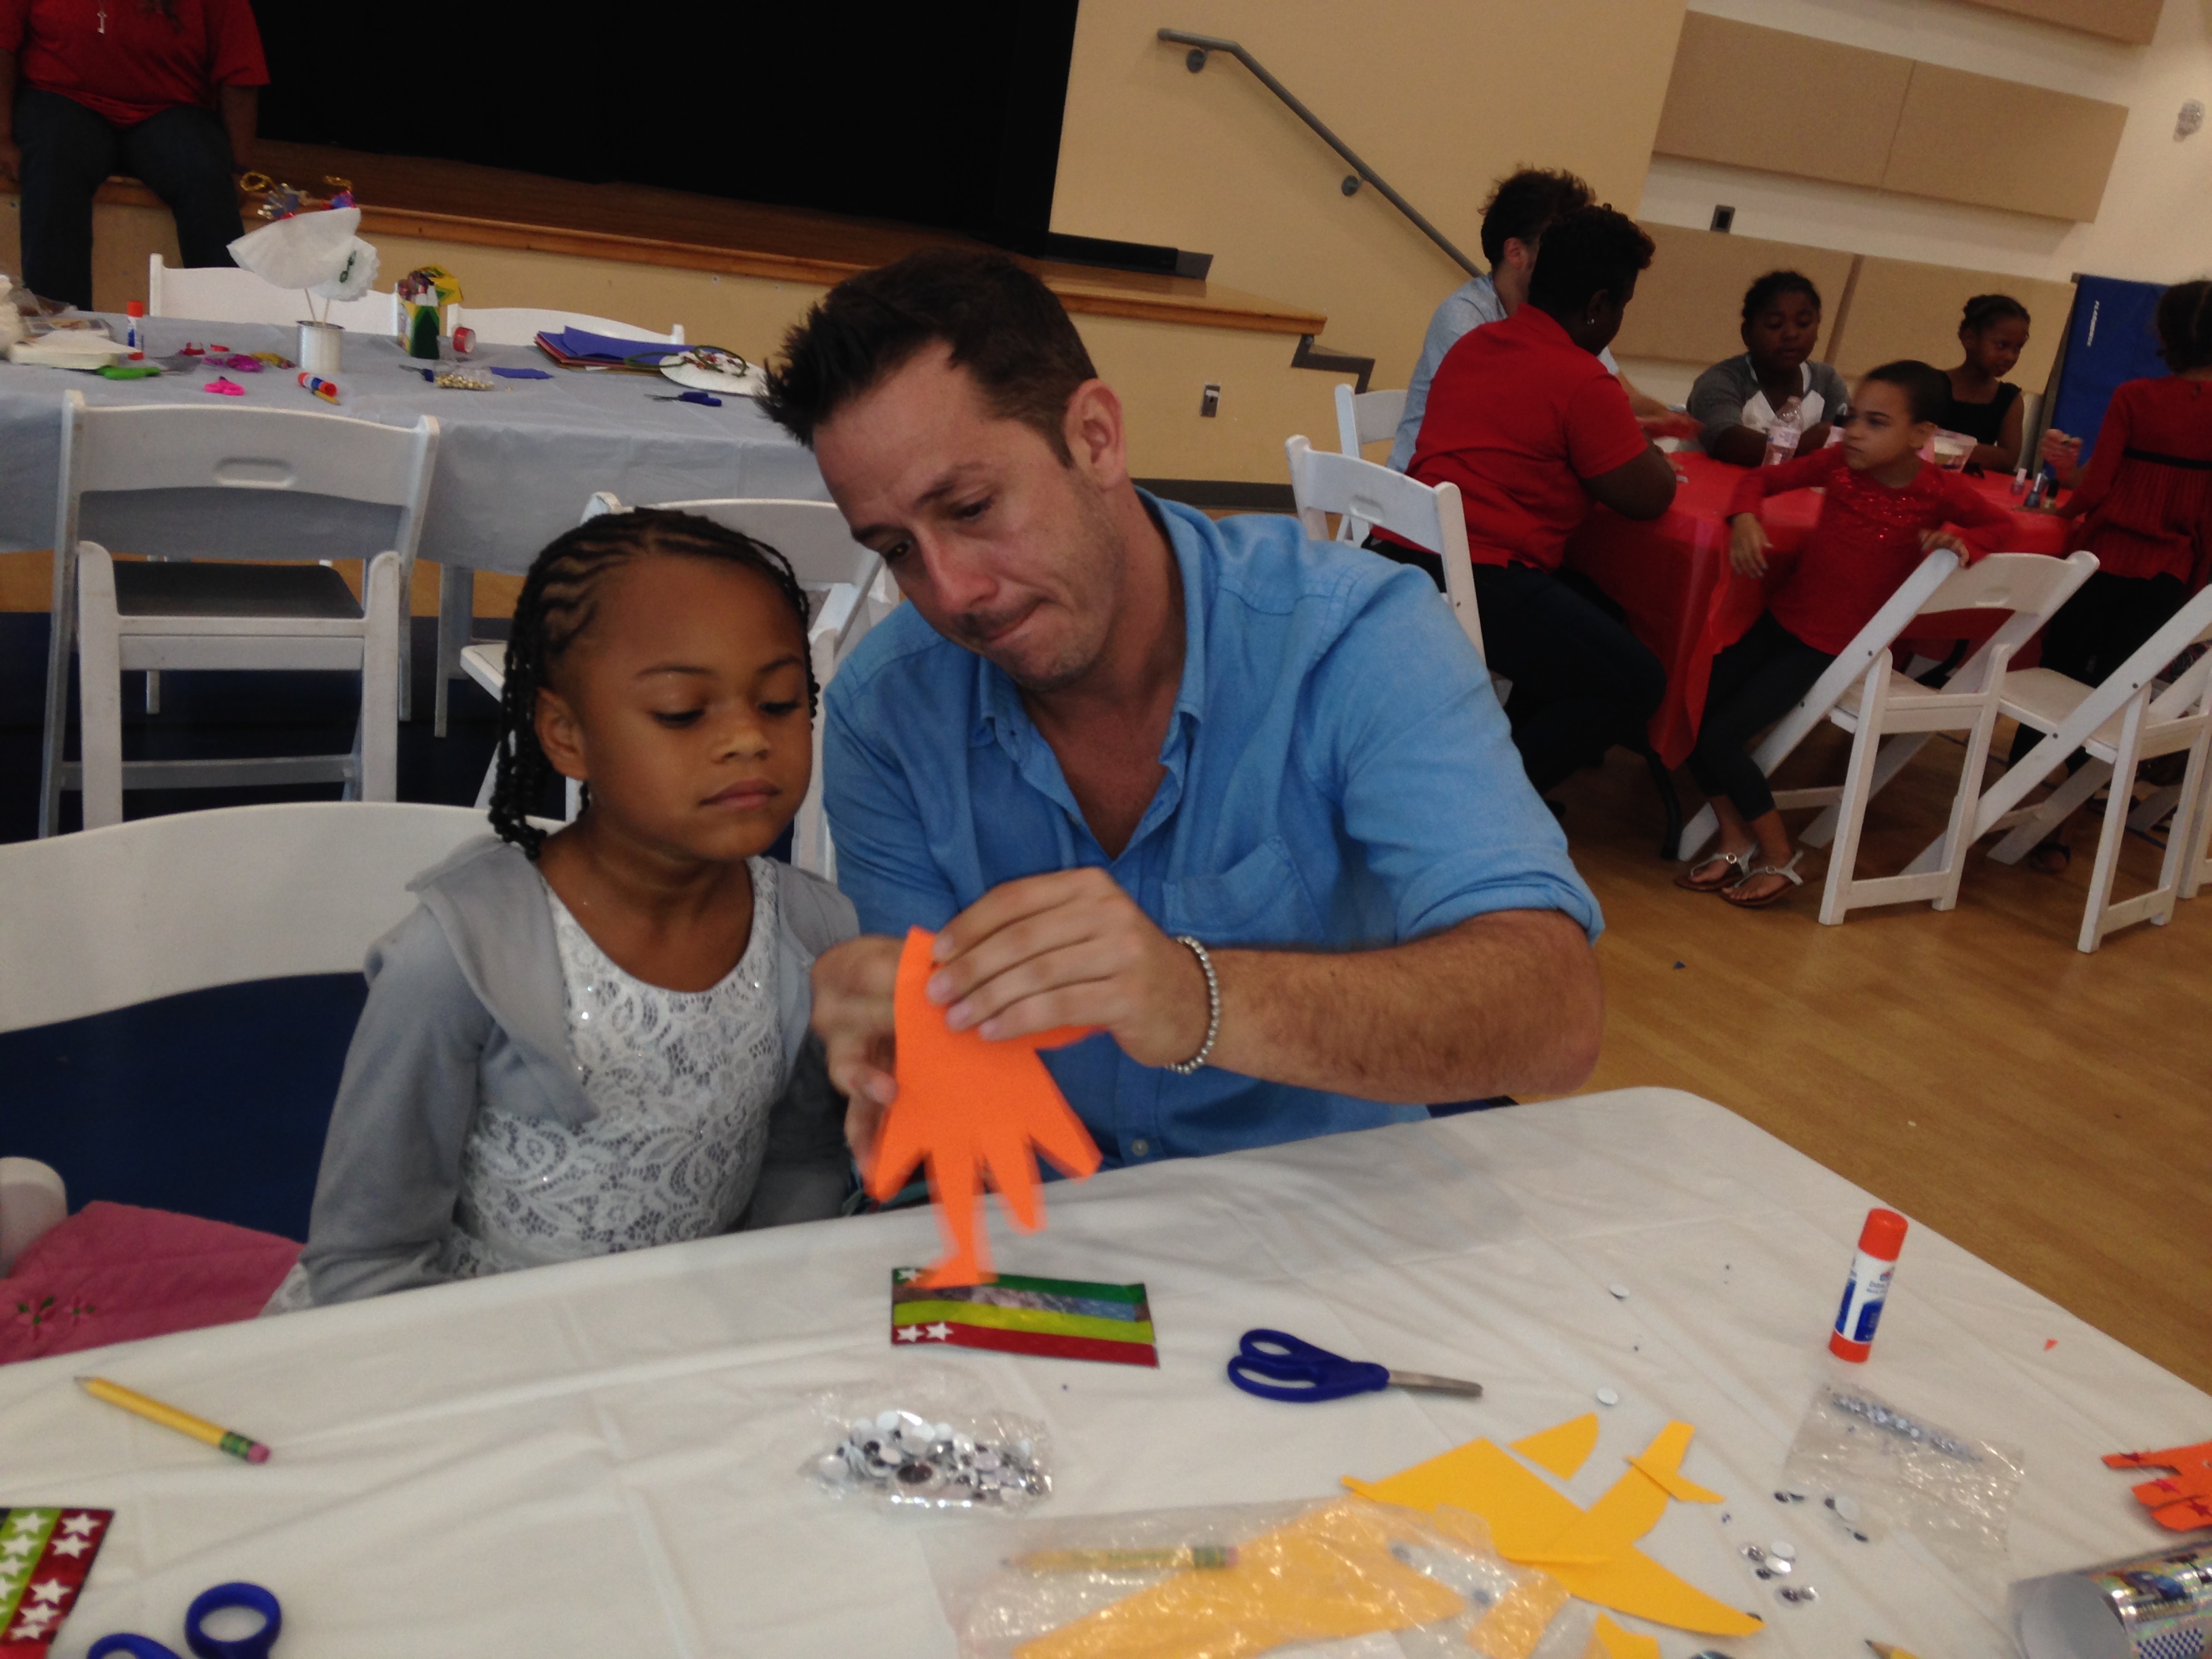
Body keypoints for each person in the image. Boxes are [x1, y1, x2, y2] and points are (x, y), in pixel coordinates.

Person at [758, 249, 1603, 1172]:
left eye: (969, 507)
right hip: (1044, 1223)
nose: (952, 592)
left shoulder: (1352, 642)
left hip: (1314, 1213)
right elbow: (938, 1061)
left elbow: (1554, 1015)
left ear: (1096, 438)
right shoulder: (887, 711)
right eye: (896, 549)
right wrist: (892, 1046)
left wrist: (1196, 1000)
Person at [284, 511, 857, 1307]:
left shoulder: (811, 933)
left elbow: (802, 1164)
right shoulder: (458, 957)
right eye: (682, 711)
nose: (747, 740)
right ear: (565, 733)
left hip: (679, 1340)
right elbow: (366, 1255)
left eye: (780, 702)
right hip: (470, 1342)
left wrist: (762, 1315)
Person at [1679, 361, 2014, 907]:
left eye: (1876, 423)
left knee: (1719, 736)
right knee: (1692, 712)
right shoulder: (1838, 464)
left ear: (1921, 435)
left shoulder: (1937, 490)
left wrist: (1961, 541)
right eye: (1851, 417)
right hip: (1782, 621)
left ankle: (1780, 854)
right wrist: (1745, 518)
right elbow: (1759, 479)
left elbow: (2004, 526)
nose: (1854, 432)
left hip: (1829, 649)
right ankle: (1736, 838)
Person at [1397, 205, 1676, 798]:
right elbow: (1651, 496)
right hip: (1478, 574)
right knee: (1636, 680)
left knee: (1598, 610)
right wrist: (1643, 446)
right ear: (1598, 305)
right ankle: (1486, 802)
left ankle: (1505, 765)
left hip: (1404, 551)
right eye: (1622, 307)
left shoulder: (1479, 343)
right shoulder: (1582, 380)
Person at [2011, 279, 2212, 872]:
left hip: (2102, 560)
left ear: (2164, 334)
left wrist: (2055, 511)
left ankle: (2020, 794)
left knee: (2057, 671)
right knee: (2116, 691)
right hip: (2169, 573)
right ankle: (2067, 822)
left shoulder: (2136, 396)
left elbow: (2097, 488)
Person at [1387, 166, 1690, 471]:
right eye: (1558, 242)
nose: (1574, 255)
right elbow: (1509, 423)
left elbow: (1619, 395)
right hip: (1425, 484)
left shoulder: (1566, 316)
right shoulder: (1464, 315)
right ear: (1516, 252)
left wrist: (1666, 417)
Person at [0, 0, 266, 312]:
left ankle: (227, 323)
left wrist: (239, 169)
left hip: (169, 107)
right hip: (63, 98)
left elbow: (240, 70)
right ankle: (61, 325)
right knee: (53, 163)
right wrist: (2, 137)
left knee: (204, 171)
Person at [1691, 271, 1852, 466]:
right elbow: (1725, 442)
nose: (1791, 334)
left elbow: (1840, 450)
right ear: (1747, 333)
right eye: (1775, 325)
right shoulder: (1721, 380)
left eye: (1803, 323)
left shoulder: (1827, 381)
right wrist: (1802, 445)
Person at [1940, 293, 2031, 474]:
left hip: (1972, 486)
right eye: (2002, 345)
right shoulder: (1931, 385)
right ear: (1969, 339)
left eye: (2018, 348)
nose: (2011, 357)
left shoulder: (2009, 398)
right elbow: (1911, 438)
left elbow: (2008, 459)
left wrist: (1941, 442)